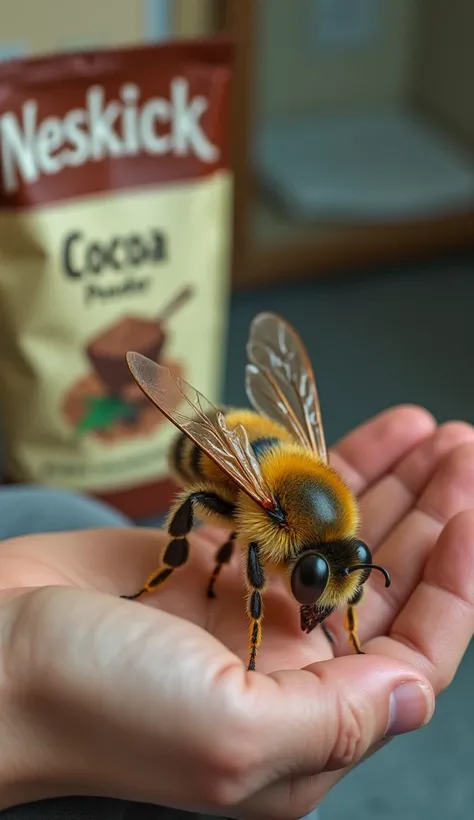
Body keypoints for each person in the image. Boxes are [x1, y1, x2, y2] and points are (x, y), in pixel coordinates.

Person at [0, 404, 473, 820]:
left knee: (64, 511)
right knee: (100, 511)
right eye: (315, 587)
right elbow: (249, 542)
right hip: (211, 452)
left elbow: (324, 563)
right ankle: (163, 574)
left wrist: (347, 628)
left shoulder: (329, 531)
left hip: (267, 454)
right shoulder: (272, 517)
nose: (317, 607)